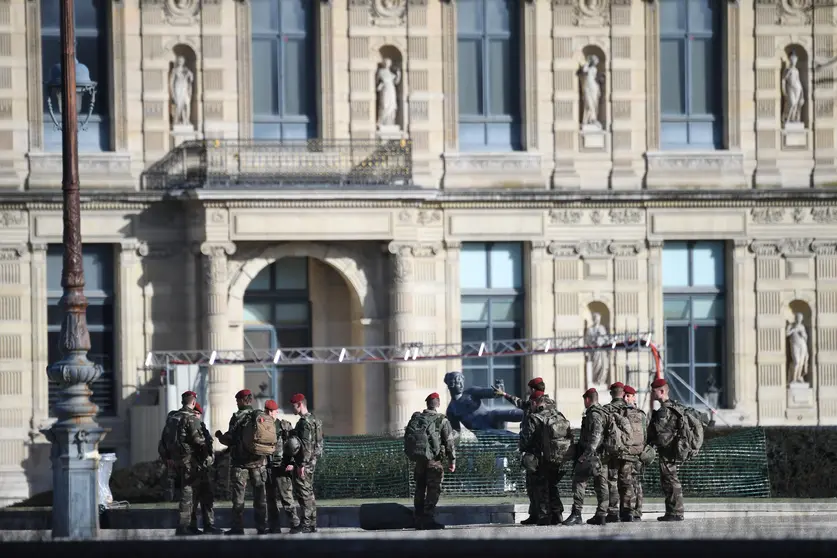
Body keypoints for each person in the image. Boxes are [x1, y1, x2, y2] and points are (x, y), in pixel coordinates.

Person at [495, 377, 558, 525]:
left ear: (534, 389)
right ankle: (541, 514)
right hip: (543, 450)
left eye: (530, 389)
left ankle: (544, 515)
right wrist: (504, 395)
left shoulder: (539, 404)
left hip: (537, 451)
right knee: (537, 484)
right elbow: (521, 403)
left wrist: (524, 446)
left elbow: (532, 423)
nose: (528, 391)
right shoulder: (547, 403)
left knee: (538, 485)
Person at [215, 389, 269, 535]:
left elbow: (230, 439)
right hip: (259, 463)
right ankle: (262, 527)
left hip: (241, 464)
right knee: (260, 497)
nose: (237, 403)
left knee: (239, 498)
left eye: (237, 400)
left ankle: (238, 528)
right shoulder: (259, 416)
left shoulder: (237, 417)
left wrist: (220, 436)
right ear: (250, 401)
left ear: (241, 401)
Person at [157, 391, 210, 536]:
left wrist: (167, 457)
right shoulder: (191, 418)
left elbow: (163, 440)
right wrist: (207, 451)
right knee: (188, 494)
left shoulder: (172, 416)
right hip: (189, 461)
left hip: (174, 460)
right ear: (193, 402)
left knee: (189, 493)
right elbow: (198, 441)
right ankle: (183, 527)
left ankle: (191, 526)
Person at [518, 391, 572, 526]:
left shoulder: (534, 418)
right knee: (552, 486)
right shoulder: (558, 415)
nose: (531, 406)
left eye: (532, 403)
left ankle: (544, 516)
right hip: (558, 457)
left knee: (540, 487)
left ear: (536, 402)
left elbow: (526, 441)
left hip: (540, 458)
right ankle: (557, 514)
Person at [405, 392, 457, 530]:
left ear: (427, 404)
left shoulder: (417, 418)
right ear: (438, 403)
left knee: (420, 488)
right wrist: (452, 460)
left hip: (420, 460)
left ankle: (418, 518)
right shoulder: (442, 420)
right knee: (433, 489)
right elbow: (449, 442)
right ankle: (428, 519)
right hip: (434, 461)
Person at [563, 388, 608, 526]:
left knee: (579, 482)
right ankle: (601, 514)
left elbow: (596, 436)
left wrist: (584, 455)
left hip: (592, 455)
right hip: (603, 455)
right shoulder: (604, 412)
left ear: (587, 399)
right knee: (601, 484)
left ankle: (577, 514)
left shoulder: (594, 414)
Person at [647, 378, 684, 521]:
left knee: (670, 480)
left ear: (661, 391)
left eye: (654, 391)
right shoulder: (674, 406)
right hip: (671, 448)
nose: (652, 394)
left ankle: (676, 512)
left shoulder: (664, 410)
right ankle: (672, 511)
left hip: (667, 450)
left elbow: (658, 431)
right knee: (669, 480)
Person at [264, 399, 300, 533]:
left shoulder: (284, 426)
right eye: (267, 411)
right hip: (267, 466)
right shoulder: (262, 427)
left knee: (286, 497)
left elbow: (294, 445)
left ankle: (295, 524)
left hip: (282, 466)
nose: (269, 414)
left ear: (276, 412)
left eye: (271, 411)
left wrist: (291, 462)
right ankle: (274, 526)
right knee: (270, 499)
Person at [288, 393, 322, 534]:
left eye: (294, 406)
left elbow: (306, 445)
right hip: (312, 460)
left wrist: (302, 464)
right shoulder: (315, 419)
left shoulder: (304, 422)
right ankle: (312, 523)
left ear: (300, 404)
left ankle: (307, 524)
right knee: (309, 492)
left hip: (305, 462)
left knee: (303, 494)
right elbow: (319, 443)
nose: (293, 409)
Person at [190, 402, 222, 534]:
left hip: (204, 468)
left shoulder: (202, 427)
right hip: (192, 467)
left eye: (198, 414)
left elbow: (209, 444)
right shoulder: (187, 426)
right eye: (195, 413)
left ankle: (209, 525)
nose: (197, 416)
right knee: (192, 499)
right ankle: (191, 526)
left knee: (207, 498)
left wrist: (210, 458)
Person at [603, 381, 627, 523]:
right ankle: (629, 512)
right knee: (628, 482)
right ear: (623, 393)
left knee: (612, 481)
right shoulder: (633, 409)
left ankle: (613, 512)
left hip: (612, 451)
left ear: (612, 393)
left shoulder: (607, 410)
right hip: (630, 451)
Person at [624, 385, 649, 521]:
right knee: (631, 482)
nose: (627, 398)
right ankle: (633, 510)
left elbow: (645, 433)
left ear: (634, 397)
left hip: (636, 452)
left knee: (635, 482)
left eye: (629, 396)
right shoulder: (639, 414)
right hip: (630, 452)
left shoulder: (639, 414)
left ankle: (636, 511)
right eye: (625, 396)